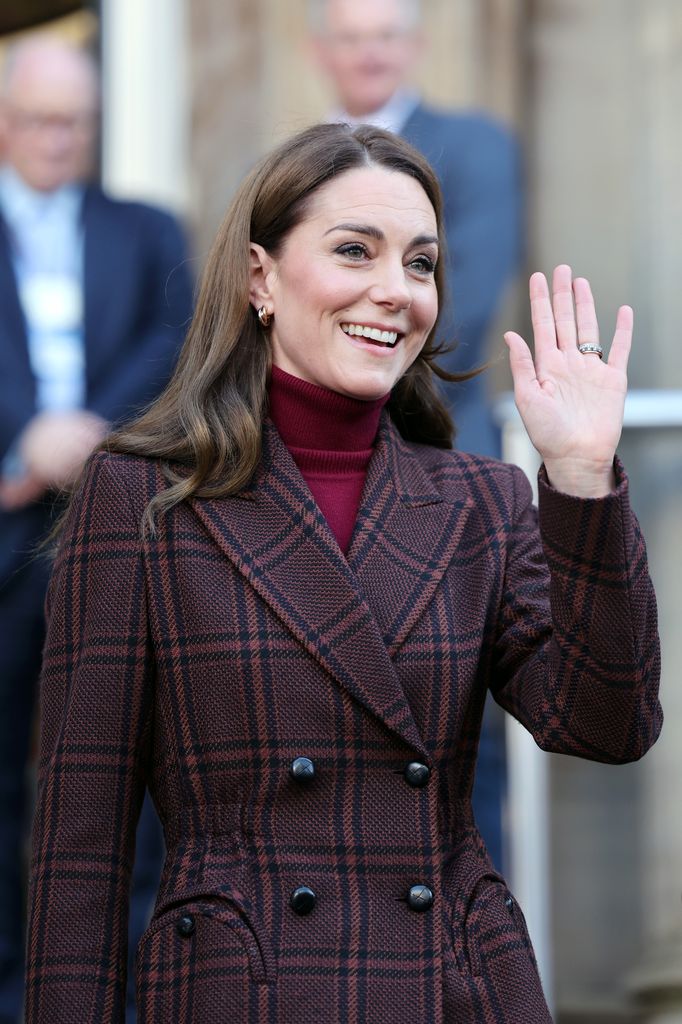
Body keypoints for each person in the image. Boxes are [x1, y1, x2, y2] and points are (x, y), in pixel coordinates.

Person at [26, 123, 661, 1024]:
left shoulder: (480, 498)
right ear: (260, 278)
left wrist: (583, 478)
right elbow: (81, 843)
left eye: (421, 263)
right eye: (353, 251)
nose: (393, 291)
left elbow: (607, 724)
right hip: (243, 990)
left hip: (457, 988)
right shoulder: (141, 496)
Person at [0, 37, 193, 1024]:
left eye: (73, 121)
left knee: (133, 759)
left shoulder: (150, 230)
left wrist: (81, 436)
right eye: (38, 119)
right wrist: (22, 444)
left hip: (119, 528)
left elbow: (174, 341)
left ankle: (129, 980)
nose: (57, 139)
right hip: (4, 527)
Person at [309, 0, 523, 871]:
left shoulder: (471, 148)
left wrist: (342, 368)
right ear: (320, 51)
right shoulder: (289, 166)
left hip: (439, 459)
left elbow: (459, 306)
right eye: (351, 36)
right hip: (308, 468)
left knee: (460, 723)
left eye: (386, 34)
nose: (369, 53)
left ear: (417, 46)